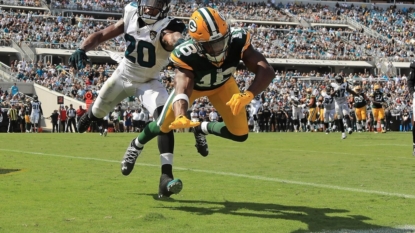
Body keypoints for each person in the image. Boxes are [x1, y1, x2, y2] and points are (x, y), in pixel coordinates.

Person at [125, 7, 275, 177]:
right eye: (211, 45)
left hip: (223, 85)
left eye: (221, 41)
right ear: (197, 44)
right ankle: (136, 144)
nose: (218, 49)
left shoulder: (238, 39)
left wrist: (249, 94)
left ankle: (202, 128)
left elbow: (266, 70)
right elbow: (183, 85)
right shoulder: (186, 53)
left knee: (240, 134)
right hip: (195, 88)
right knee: (162, 126)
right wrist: (181, 113)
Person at [69, 0, 186, 198]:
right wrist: (83, 48)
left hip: (149, 81)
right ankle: (91, 116)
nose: (149, 8)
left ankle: (166, 176)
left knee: (165, 120)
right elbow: (102, 35)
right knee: (98, 112)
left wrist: (181, 43)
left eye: (155, 4)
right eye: (147, 3)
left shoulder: (168, 25)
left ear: (164, 7)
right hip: (123, 76)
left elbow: (171, 37)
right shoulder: (131, 13)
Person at [331, 75, 357, 139]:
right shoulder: (333, 85)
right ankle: (343, 133)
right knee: (340, 118)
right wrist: (336, 90)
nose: (342, 80)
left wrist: (357, 94)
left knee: (346, 114)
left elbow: (349, 90)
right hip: (337, 103)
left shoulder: (344, 84)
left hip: (344, 101)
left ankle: (349, 128)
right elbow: (331, 95)